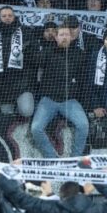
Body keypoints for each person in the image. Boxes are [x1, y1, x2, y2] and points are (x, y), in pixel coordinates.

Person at [31, 25, 89, 158]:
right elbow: (35, 61)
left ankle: (75, 158)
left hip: (70, 100)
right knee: (36, 128)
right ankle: (53, 158)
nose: (64, 38)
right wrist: (49, 45)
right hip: (48, 100)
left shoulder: (79, 54)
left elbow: (83, 80)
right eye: (61, 35)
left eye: (66, 35)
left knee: (83, 125)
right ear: (56, 37)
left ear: (71, 37)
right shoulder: (48, 51)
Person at [0, 6, 35, 117]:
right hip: (3, 88)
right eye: (4, 16)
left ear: (14, 17)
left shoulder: (26, 33)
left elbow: (35, 59)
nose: (7, 18)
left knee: (27, 111)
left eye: (10, 15)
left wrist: (27, 51)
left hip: (23, 85)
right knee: (6, 117)